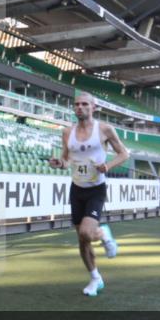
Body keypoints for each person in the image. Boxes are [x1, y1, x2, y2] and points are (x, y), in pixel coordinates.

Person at [48, 92, 130, 297]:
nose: (79, 107)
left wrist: (107, 166)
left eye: (85, 104)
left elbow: (124, 154)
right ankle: (95, 278)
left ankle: (103, 234)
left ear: (94, 107)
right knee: (82, 240)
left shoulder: (104, 129)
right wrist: (60, 164)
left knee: (86, 233)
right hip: (76, 189)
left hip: (96, 188)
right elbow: (66, 160)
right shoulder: (67, 132)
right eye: (76, 104)